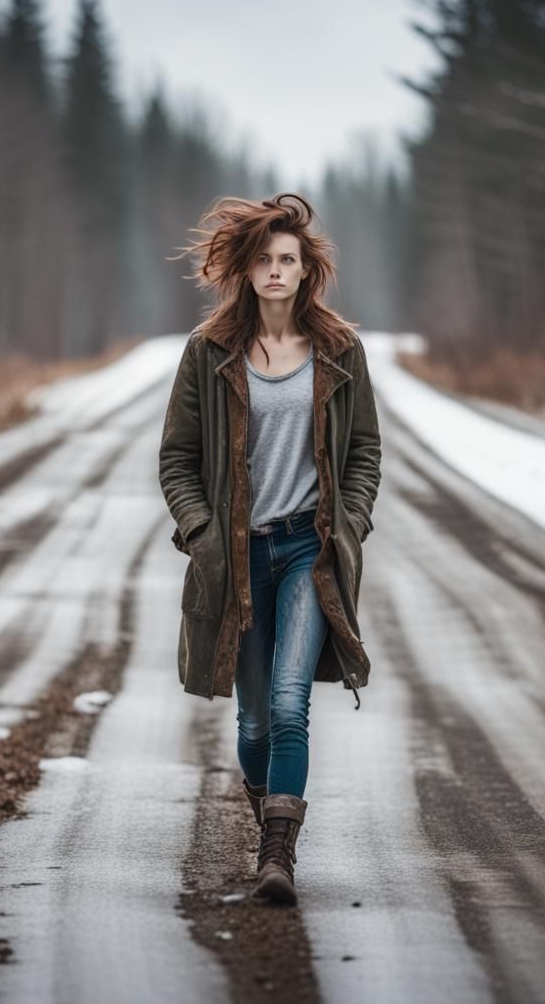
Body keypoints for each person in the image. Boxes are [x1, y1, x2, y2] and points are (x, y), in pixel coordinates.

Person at [158, 192, 382, 905]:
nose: (277, 270)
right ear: (246, 271)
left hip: (308, 553)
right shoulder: (209, 352)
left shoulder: (340, 350)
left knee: (290, 705)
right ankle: (270, 820)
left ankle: (277, 857)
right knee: (253, 721)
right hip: (238, 557)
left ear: (306, 269)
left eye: (288, 259)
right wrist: (202, 534)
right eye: (264, 260)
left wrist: (350, 524)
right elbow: (177, 460)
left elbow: (365, 452)